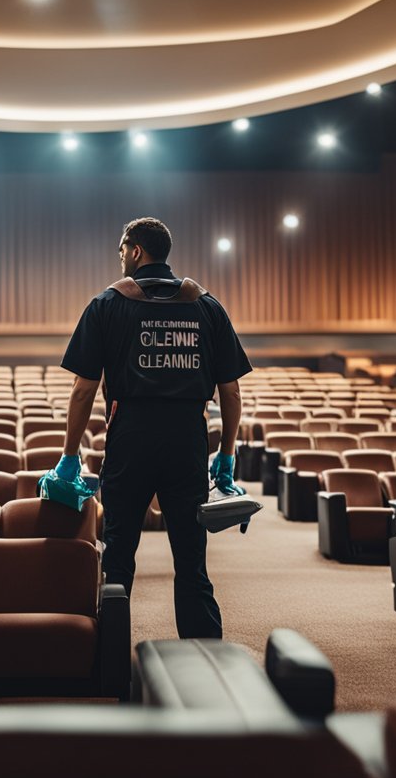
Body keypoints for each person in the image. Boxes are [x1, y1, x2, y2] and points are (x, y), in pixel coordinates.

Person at [52, 217, 252, 639]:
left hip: (130, 438)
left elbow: (83, 390)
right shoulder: (207, 306)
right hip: (187, 441)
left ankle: (108, 658)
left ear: (136, 251)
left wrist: (70, 456)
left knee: (119, 556)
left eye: (123, 248)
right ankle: (204, 658)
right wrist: (227, 455)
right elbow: (230, 393)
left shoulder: (106, 304)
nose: (120, 256)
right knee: (192, 560)